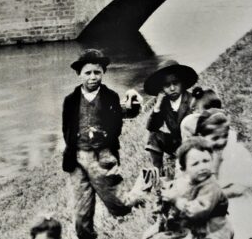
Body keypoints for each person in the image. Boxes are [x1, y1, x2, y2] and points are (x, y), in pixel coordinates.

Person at [62, 49, 134, 239]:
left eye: (97, 72)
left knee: (116, 200)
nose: (93, 77)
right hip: (77, 158)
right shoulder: (70, 101)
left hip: (102, 155)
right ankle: (86, 235)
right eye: (88, 73)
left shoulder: (110, 97)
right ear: (79, 75)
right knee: (81, 211)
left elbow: (116, 126)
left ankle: (132, 219)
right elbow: (66, 129)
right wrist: (72, 150)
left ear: (103, 73)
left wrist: (104, 137)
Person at [144, 137, 233, 239]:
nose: (202, 167)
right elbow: (168, 204)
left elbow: (199, 211)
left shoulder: (211, 186)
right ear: (184, 169)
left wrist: (177, 200)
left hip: (215, 229)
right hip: (192, 227)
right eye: (195, 164)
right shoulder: (183, 182)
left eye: (206, 161)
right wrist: (162, 214)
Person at [196, 110, 252, 239]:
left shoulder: (236, 152)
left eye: (224, 136)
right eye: (215, 138)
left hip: (233, 204)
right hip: (205, 203)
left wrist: (214, 195)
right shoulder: (198, 154)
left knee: (229, 229)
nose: (221, 142)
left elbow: (239, 188)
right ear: (200, 136)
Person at [144, 60, 198, 176]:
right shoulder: (164, 102)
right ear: (162, 88)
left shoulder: (192, 101)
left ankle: (187, 164)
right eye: (167, 85)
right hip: (176, 143)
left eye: (175, 83)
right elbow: (152, 127)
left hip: (193, 143)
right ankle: (158, 172)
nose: (172, 88)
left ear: (182, 83)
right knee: (154, 135)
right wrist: (157, 105)